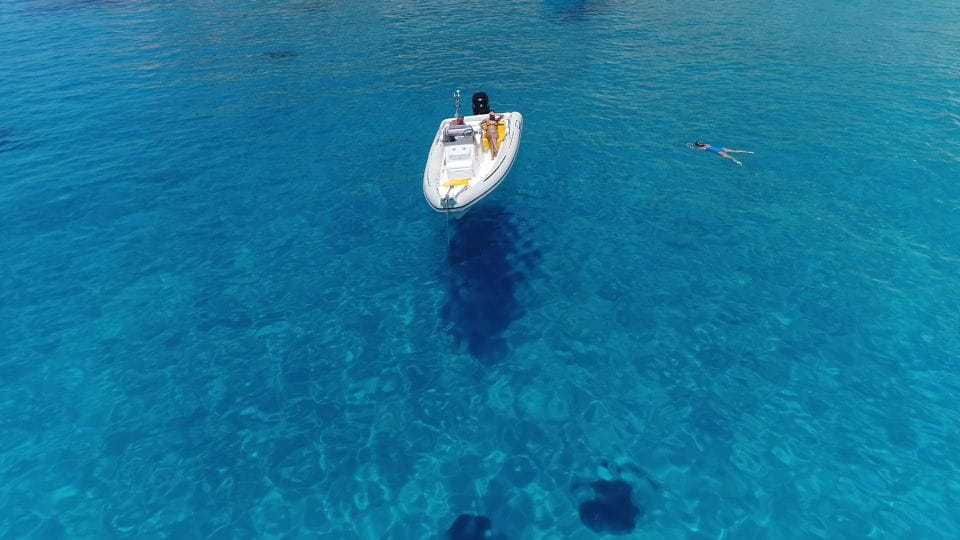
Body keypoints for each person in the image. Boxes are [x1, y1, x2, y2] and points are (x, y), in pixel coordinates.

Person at [687, 140, 753, 166]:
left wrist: (690, 147)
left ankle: (737, 162)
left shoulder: (703, 148)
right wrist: (692, 144)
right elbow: (699, 146)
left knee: (730, 157)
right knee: (734, 151)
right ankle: (748, 152)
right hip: (721, 148)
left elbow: (696, 149)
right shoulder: (707, 144)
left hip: (719, 152)